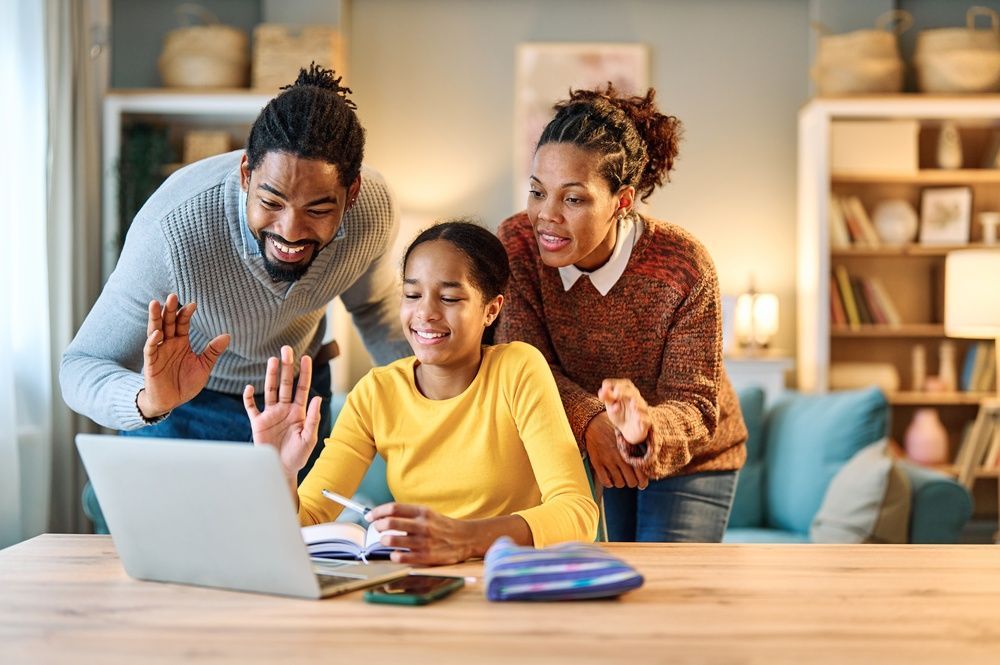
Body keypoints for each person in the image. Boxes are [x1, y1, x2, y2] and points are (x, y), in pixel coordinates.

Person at [60, 65, 410, 477]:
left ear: (351, 195)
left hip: (294, 399)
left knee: (297, 540)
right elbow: (81, 365)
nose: (291, 232)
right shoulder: (172, 231)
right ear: (246, 174)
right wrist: (148, 399)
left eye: (318, 209)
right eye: (272, 202)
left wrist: (432, 397)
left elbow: (373, 309)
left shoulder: (374, 210)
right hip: (185, 403)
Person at [243, 221, 598, 565]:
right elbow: (309, 522)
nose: (425, 313)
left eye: (449, 297)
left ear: (491, 310)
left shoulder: (518, 369)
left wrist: (462, 539)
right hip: (417, 581)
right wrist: (283, 472)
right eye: (412, 294)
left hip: (508, 577)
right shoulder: (376, 393)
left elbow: (577, 512)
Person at [495, 84, 747, 543]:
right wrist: (593, 420)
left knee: (667, 603)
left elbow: (695, 401)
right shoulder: (516, 247)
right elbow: (524, 365)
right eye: (537, 191)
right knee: (596, 592)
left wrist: (645, 428)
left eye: (573, 199)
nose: (545, 216)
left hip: (689, 460)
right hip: (583, 443)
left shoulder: (683, 264)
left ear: (622, 201)